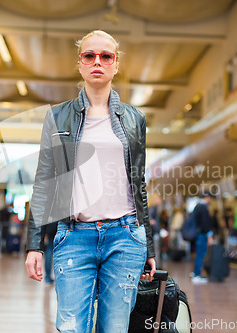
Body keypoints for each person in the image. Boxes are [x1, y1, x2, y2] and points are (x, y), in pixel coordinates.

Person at [24, 30, 156, 333]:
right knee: (71, 328)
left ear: (115, 64)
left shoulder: (135, 119)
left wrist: (149, 247)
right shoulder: (58, 117)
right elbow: (45, 181)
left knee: (115, 329)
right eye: (89, 55)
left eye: (105, 56)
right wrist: (35, 244)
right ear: (80, 63)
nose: (98, 61)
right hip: (73, 236)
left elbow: (139, 185)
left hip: (125, 236)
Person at [191, 192, 214, 284]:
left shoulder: (197, 206)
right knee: (201, 254)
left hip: (198, 233)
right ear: (207, 197)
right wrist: (209, 235)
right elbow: (205, 223)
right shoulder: (203, 207)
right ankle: (197, 275)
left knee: (198, 254)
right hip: (202, 234)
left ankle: (196, 273)